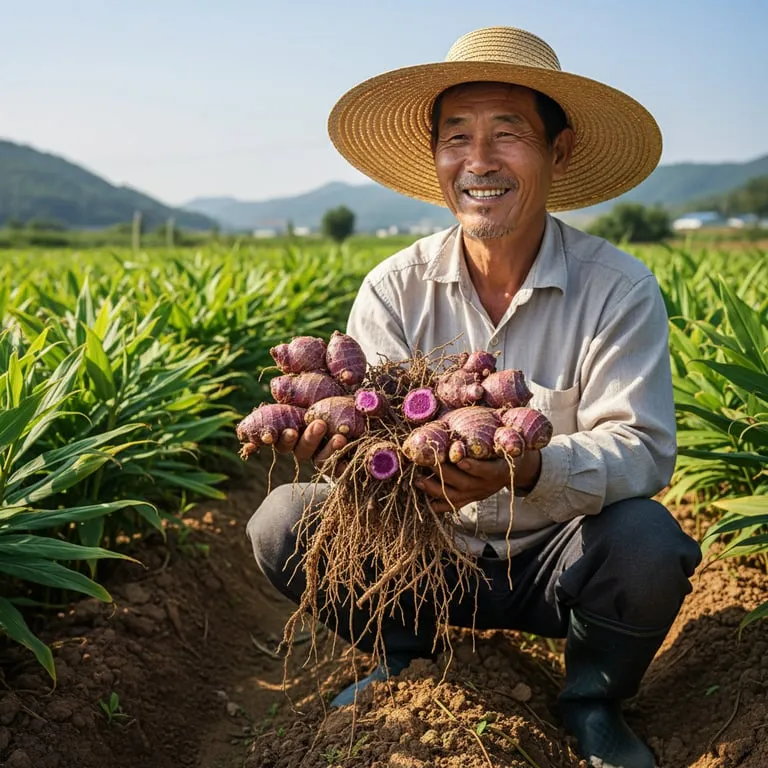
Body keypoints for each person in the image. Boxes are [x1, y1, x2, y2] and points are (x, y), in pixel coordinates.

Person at [247, 26, 702, 768]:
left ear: (560, 151)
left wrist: (527, 471)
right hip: (425, 556)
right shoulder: (394, 288)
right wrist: (341, 453)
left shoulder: (618, 288)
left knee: (649, 542)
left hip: (557, 558)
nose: (479, 160)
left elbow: (643, 448)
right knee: (282, 522)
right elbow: (372, 427)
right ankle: (404, 660)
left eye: (507, 133)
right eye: (456, 137)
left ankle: (592, 701)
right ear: (435, 160)